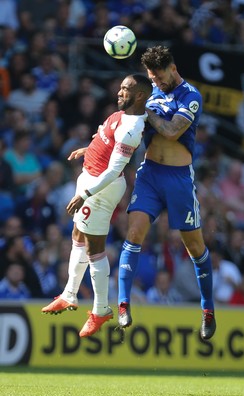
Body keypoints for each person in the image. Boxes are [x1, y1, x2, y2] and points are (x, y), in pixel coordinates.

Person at [41, 74, 153, 338]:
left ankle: (100, 309)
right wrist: (88, 149)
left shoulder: (132, 128)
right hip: (91, 177)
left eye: (126, 89)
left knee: (94, 248)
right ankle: (69, 294)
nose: (119, 92)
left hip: (101, 189)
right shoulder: (121, 116)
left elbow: (115, 169)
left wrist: (85, 194)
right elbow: (104, 139)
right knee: (78, 236)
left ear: (139, 96)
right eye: (121, 87)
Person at [117, 45, 216, 340]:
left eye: (158, 77)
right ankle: (123, 304)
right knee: (133, 233)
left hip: (178, 178)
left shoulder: (191, 96)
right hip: (149, 174)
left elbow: (173, 131)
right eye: (151, 78)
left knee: (195, 247)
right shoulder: (150, 91)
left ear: (172, 68)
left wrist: (145, 110)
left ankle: (207, 309)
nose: (155, 83)